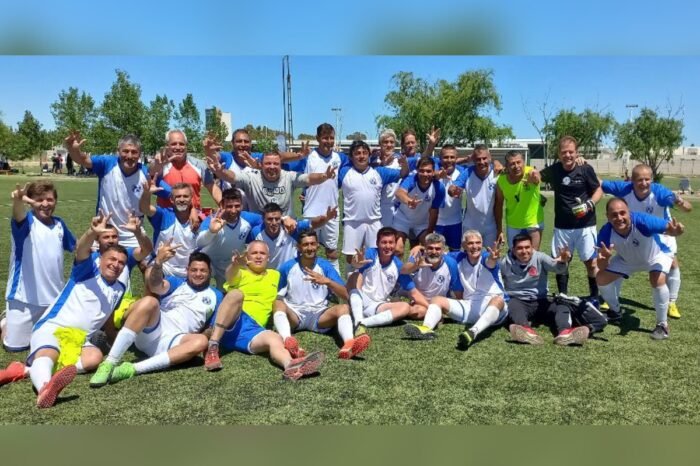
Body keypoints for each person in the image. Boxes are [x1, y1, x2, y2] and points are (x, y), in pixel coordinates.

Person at [0, 220, 130, 408]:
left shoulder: (120, 288)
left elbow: (108, 315)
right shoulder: (86, 272)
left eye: (121, 263)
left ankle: (25, 370)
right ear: (101, 259)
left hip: (80, 339)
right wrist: (91, 232)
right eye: (112, 259)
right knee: (49, 352)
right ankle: (45, 388)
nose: (116, 265)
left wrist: (112, 336)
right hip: (53, 327)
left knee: (94, 359)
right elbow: (81, 250)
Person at [89, 247, 222, 386]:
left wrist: (199, 339)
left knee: (201, 341)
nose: (198, 274)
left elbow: (212, 327)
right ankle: (109, 363)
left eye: (203, 270)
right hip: (154, 329)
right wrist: (158, 263)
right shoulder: (177, 283)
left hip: (176, 340)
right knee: (150, 301)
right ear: (187, 270)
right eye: (194, 270)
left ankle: (132, 369)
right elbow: (155, 286)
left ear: (210, 272)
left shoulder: (216, 295)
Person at [203, 241, 325, 380]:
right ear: (247, 256)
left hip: (253, 330)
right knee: (236, 294)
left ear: (268, 257)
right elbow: (230, 276)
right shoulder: (240, 273)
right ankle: (213, 346)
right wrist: (235, 264)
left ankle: (290, 365)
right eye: (254, 253)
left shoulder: (275, 275)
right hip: (232, 320)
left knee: (274, 338)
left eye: (262, 253)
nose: (258, 256)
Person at [600, 163, 692, 318]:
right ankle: (612, 300)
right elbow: (599, 183)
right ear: (632, 181)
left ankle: (671, 302)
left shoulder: (660, 192)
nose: (643, 183)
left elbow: (688, 208)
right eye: (639, 180)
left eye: (647, 179)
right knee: (621, 259)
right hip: (633, 229)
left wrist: (681, 202)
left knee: (672, 263)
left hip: (662, 231)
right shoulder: (624, 188)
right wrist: (582, 165)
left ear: (652, 179)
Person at [596, 198, 685, 340]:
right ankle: (615, 312)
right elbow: (601, 267)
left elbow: (668, 228)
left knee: (656, 279)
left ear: (629, 212)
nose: (619, 218)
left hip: (656, 255)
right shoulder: (605, 232)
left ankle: (662, 325)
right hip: (627, 260)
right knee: (601, 278)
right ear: (607, 216)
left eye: (622, 213)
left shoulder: (643, 221)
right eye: (614, 215)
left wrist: (675, 231)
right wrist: (604, 259)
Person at [403, 230, 507, 350]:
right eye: (470, 243)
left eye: (478, 243)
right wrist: (420, 247)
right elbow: (438, 252)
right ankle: (426, 328)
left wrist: (493, 258)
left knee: (498, 300)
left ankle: (473, 332)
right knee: (437, 300)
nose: (475, 246)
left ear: (482, 244)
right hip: (469, 306)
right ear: (463, 245)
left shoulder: (485, 257)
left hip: (494, 309)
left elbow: (490, 262)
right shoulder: (458, 257)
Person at [2, 182, 76, 352]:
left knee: (55, 342)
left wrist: (93, 239)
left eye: (49, 199)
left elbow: (74, 246)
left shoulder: (59, 224)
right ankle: (5, 321)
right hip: (23, 299)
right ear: (30, 201)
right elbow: (18, 214)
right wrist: (18, 200)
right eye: (39, 199)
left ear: (55, 201)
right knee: (14, 347)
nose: (45, 204)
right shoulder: (26, 222)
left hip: (54, 299)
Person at [275, 229, 371, 360]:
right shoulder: (287, 267)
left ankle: (349, 344)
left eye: (313, 244)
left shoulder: (325, 266)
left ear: (318, 245)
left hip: (319, 315)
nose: (310, 248)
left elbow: (345, 294)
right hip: (295, 314)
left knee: (344, 308)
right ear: (298, 247)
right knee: (277, 303)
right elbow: (277, 293)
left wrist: (327, 281)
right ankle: (288, 341)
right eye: (305, 244)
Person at [64, 131, 169, 247]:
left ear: (139, 154)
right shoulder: (107, 163)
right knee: (84, 256)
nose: (129, 156)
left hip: (134, 235)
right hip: (105, 232)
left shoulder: (145, 173)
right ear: (118, 151)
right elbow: (83, 160)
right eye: (125, 151)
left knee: (148, 258)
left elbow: (171, 193)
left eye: (134, 152)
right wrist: (72, 149)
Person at [502, 233, 605, 345]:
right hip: (519, 300)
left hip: (541, 300)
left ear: (532, 248)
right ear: (513, 250)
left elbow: (558, 269)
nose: (524, 251)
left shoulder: (540, 257)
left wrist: (562, 261)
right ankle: (526, 331)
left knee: (562, 305)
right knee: (512, 305)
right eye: (520, 248)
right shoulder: (505, 262)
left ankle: (565, 333)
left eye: (527, 247)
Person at [535, 136, 603, 298]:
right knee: (561, 261)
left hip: (586, 225)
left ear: (576, 152)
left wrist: (589, 204)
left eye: (571, 152)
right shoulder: (554, 169)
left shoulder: (585, 169)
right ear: (559, 154)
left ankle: (594, 297)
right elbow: (536, 176)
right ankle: (563, 296)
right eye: (564, 152)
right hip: (562, 226)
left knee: (591, 262)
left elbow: (598, 190)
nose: (568, 155)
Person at [205, 138, 332, 216]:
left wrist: (324, 176)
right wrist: (221, 172)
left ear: (280, 165)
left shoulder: (288, 177)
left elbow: (309, 178)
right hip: (261, 228)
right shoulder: (252, 177)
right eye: (268, 163)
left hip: (286, 226)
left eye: (276, 163)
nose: (272, 166)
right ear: (261, 165)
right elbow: (232, 177)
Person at [338, 140, 409, 274]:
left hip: (374, 221)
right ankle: (351, 284)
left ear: (369, 155)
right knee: (351, 258)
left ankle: (372, 280)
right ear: (351, 157)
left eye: (364, 153)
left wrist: (404, 164)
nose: (361, 156)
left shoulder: (380, 172)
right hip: (352, 222)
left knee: (376, 256)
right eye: (357, 153)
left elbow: (403, 173)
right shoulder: (344, 172)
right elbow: (328, 184)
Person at [347, 227, 421, 332]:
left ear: (395, 244)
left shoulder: (398, 265)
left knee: (405, 307)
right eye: (384, 242)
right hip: (361, 298)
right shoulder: (371, 253)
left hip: (378, 305)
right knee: (354, 276)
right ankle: (358, 317)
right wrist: (357, 263)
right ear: (377, 243)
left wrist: (431, 308)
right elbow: (357, 264)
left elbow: (414, 292)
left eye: (391, 242)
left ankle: (361, 323)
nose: (387, 246)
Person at [195, 188, 262, 288]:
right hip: (211, 266)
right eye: (229, 206)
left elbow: (267, 218)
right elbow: (199, 243)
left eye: (237, 206)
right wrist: (211, 232)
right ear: (222, 206)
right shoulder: (212, 220)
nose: (233, 210)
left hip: (232, 264)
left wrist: (284, 219)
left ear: (242, 206)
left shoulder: (247, 218)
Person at [249, 202, 337, 269]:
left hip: (289, 273)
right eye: (270, 219)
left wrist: (326, 218)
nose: (274, 223)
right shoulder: (256, 232)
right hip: (267, 274)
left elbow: (312, 224)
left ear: (281, 218)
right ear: (263, 219)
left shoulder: (291, 228)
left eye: (277, 219)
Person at [140, 180, 199, 278]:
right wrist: (147, 194)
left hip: (189, 270)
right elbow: (145, 209)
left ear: (191, 198)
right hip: (164, 267)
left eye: (185, 196)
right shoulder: (164, 215)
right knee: (149, 275)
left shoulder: (198, 218)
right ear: (171, 199)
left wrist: (193, 210)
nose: (182, 199)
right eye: (178, 196)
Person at [149, 129, 215, 211]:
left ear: (186, 146)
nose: (178, 147)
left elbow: (212, 186)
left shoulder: (199, 165)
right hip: (168, 217)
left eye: (181, 144)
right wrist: (157, 165)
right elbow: (151, 171)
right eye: (173, 144)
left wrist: (223, 204)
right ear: (167, 146)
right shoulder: (161, 165)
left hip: (193, 216)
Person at [398, 233, 460, 320]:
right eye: (430, 248)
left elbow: (457, 288)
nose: (434, 252)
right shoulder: (418, 257)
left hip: (440, 302)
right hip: (420, 300)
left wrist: (461, 304)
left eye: (437, 249)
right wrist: (415, 266)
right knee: (418, 312)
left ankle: (434, 311)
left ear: (443, 250)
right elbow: (403, 270)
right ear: (425, 248)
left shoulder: (450, 263)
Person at [448, 145, 500, 247]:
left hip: (491, 226)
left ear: (490, 158)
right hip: (470, 225)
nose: (481, 162)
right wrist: (452, 190)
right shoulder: (468, 172)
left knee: (493, 254)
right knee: (469, 254)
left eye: (484, 158)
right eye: (478, 159)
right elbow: (454, 187)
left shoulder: (496, 172)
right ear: (473, 160)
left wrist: (497, 162)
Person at [393, 157, 446, 256]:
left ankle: (422, 266)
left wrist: (429, 234)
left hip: (422, 223)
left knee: (431, 249)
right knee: (397, 249)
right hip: (403, 220)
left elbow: (434, 212)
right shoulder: (411, 179)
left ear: (433, 172)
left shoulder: (439, 188)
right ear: (417, 170)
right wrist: (409, 201)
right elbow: (399, 193)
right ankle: (398, 266)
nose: (425, 174)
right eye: (422, 171)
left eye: (428, 171)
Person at [495, 150, 544, 250]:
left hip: (533, 224)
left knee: (533, 256)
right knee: (514, 255)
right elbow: (499, 205)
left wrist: (535, 177)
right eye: (512, 164)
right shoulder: (501, 180)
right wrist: (500, 229)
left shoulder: (530, 173)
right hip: (513, 225)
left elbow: (536, 175)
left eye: (519, 162)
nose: (516, 166)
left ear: (524, 163)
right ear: (507, 166)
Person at [435, 144, 470, 251]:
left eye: (452, 157)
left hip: (455, 222)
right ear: (440, 159)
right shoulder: (432, 171)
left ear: (456, 158)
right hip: (435, 222)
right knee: (434, 252)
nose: (449, 160)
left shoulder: (463, 173)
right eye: (446, 157)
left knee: (455, 252)